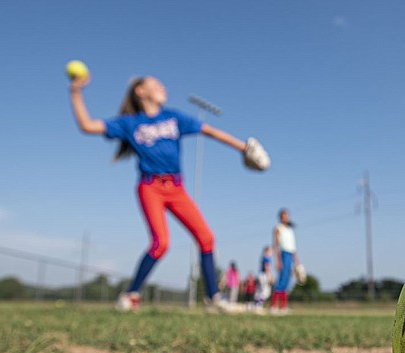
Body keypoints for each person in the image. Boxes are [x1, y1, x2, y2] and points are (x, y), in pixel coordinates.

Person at [69, 73, 250, 313]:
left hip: (176, 188)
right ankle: (131, 294)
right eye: (155, 84)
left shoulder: (173, 118)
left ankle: (214, 299)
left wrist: (244, 148)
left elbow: (212, 132)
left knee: (206, 238)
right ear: (140, 92)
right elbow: (87, 126)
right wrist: (75, 92)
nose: (162, 86)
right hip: (150, 187)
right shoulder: (129, 123)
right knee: (161, 243)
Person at [270, 209, 299, 313]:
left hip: (291, 254)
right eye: (283, 216)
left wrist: (296, 260)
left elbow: (293, 246)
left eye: (287, 216)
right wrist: (278, 260)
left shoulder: (290, 229)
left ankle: (283, 306)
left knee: (287, 280)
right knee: (281, 280)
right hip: (283, 254)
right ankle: (273, 306)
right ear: (280, 217)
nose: (285, 218)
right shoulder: (278, 228)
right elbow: (276, 245)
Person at [255, 246, 273, 311]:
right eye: (270, 251)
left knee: (259, 291)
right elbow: (267, 267)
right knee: (266, 291)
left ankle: (258, 305)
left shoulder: (262, 258)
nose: (271, 253)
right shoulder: (267, 258)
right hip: (264, 275)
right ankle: (259, 305)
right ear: (266, 252)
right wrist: (269, 276)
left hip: (260, 275)